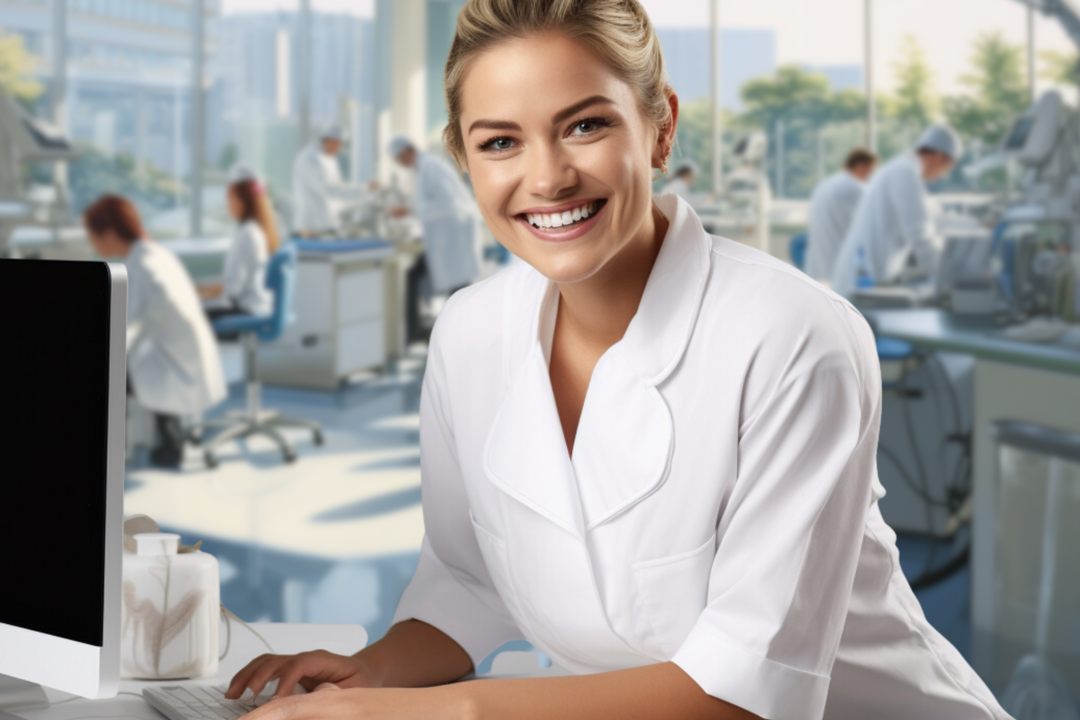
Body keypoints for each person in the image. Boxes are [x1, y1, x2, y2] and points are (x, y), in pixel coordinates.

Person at [225, 2, 1009, 719]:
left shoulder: (790, 334)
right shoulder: (469, 333)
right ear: (465, 161)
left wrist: (436, 713)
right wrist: (373, 676)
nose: (546, 177)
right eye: (500, 141)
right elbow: (468, 583)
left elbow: (743, 692)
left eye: (585, 126)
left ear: (660, 127)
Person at [84, 195, 226, 469]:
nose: (92, 242)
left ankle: (115, 454)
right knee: (131, 365)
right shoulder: (153, 252)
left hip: (178, 356)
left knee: (111, 375)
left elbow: (120, 321)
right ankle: (169, 439)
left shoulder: (142, 268)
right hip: (183, 348)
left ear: (110, 234)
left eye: (93, 235)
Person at [831, 126, 962, 298]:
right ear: (939, 157)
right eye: (947, 168)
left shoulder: (902, 169)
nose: (942, 174)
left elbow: (930, 215)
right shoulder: (905, 174)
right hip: (864, 280)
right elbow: (920, 235)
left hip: (864, 275)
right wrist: (952, 276)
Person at [387, 134, 482, 344]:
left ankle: (432, 333)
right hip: (448, 234)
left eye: (399, 159)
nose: (401, 164)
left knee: (451, 286)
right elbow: (435, 205)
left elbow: (448, 203)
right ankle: (438, 333)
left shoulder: (430, 168)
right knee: (454, 286)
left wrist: (408, 210)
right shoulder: (424, 169)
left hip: (453, 234)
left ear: (407, 152)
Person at [201, 168, 280, 322]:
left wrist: (201, 293)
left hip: (245, 310)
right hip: (256, 306)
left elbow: (232, 289)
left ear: (242, 200)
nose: (227, 205)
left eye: (230, 198)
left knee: (191, 312)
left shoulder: (247, 233)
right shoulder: (258, 229)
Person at [804, 148, 876, 282]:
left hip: (817, 265)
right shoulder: (855, 187)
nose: (870, 175)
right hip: (837, 265)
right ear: (861, 166)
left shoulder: (826, 184)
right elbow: (874, 223)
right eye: (870, 170)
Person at [292, 125, 368, 236]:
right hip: (312, 227)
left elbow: (339, 187)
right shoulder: (310, 159)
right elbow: (329, 190)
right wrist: (364, 190)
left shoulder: (328, 158)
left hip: (327, 224)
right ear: (330, 141)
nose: (340, 148)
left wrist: (363, 196)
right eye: (339, 144)